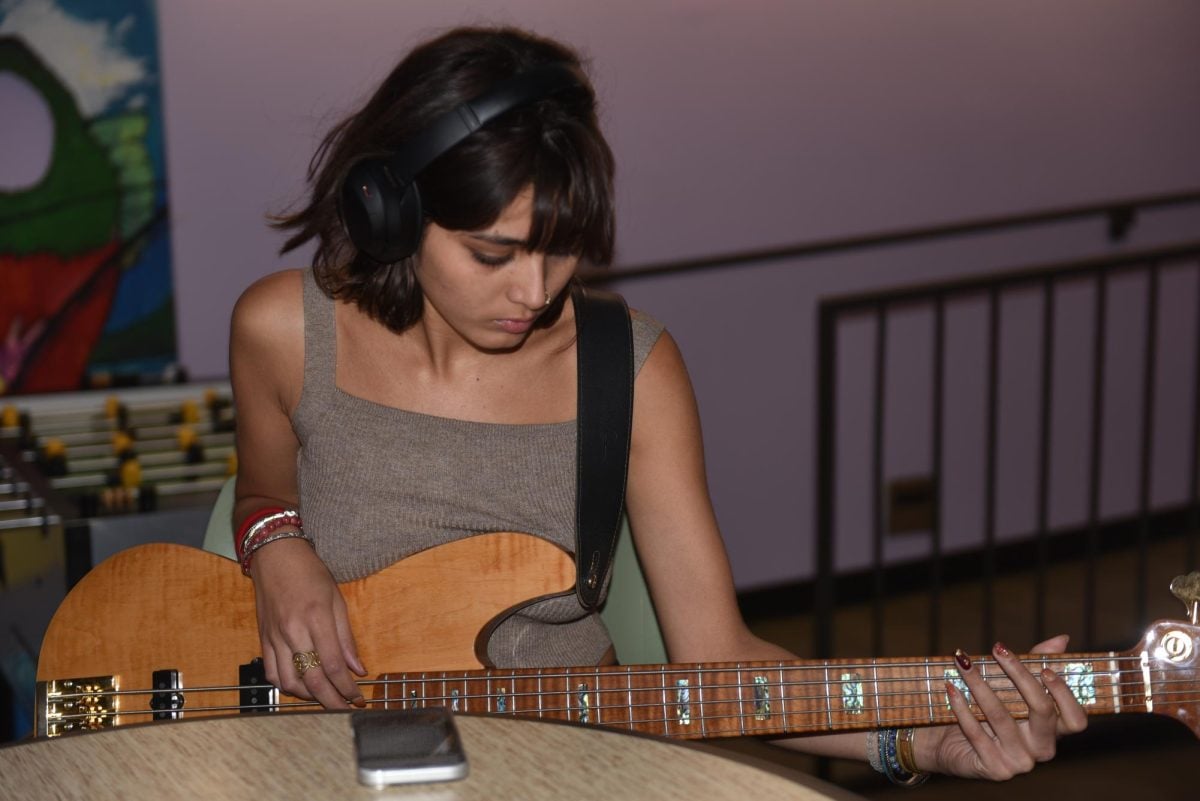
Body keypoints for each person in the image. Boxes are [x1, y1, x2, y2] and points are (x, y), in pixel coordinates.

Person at [228, 25, 1086, 784]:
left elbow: (720, 657)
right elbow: (265, 492)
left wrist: (920, 739)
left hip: (569, 758)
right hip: (333, 752)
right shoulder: (283, 330)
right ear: (391, 211)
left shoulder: (629, 369)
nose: (534, 290)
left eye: (563, 252)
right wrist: (276, 545)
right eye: (494, 254)